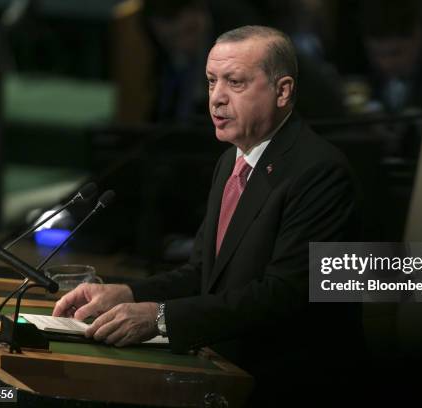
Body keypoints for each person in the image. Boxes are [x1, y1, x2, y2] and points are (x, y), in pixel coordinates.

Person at [53, 25, 362, 406]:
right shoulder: (229, 160)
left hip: (284, 382)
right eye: (212, 81)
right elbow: (203, 274)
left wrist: (161, 319)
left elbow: (284, 294)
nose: (216, 98)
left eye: (235, 82)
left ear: (282, 91)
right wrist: (127, 293)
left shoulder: (319, 171)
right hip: (223, 367)